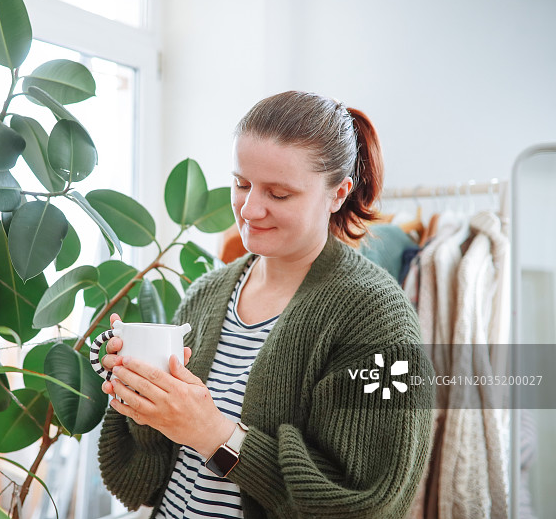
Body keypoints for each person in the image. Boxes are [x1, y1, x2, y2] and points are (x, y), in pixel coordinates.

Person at [96, 91, 434, 518]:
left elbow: (367, 501)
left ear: (338, 193)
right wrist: (139, 396)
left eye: (279, 193)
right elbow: (148, 471)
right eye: (241, 183)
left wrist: (213, 433)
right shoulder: (206, 292)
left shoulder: (379, 320)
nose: (250, 208)